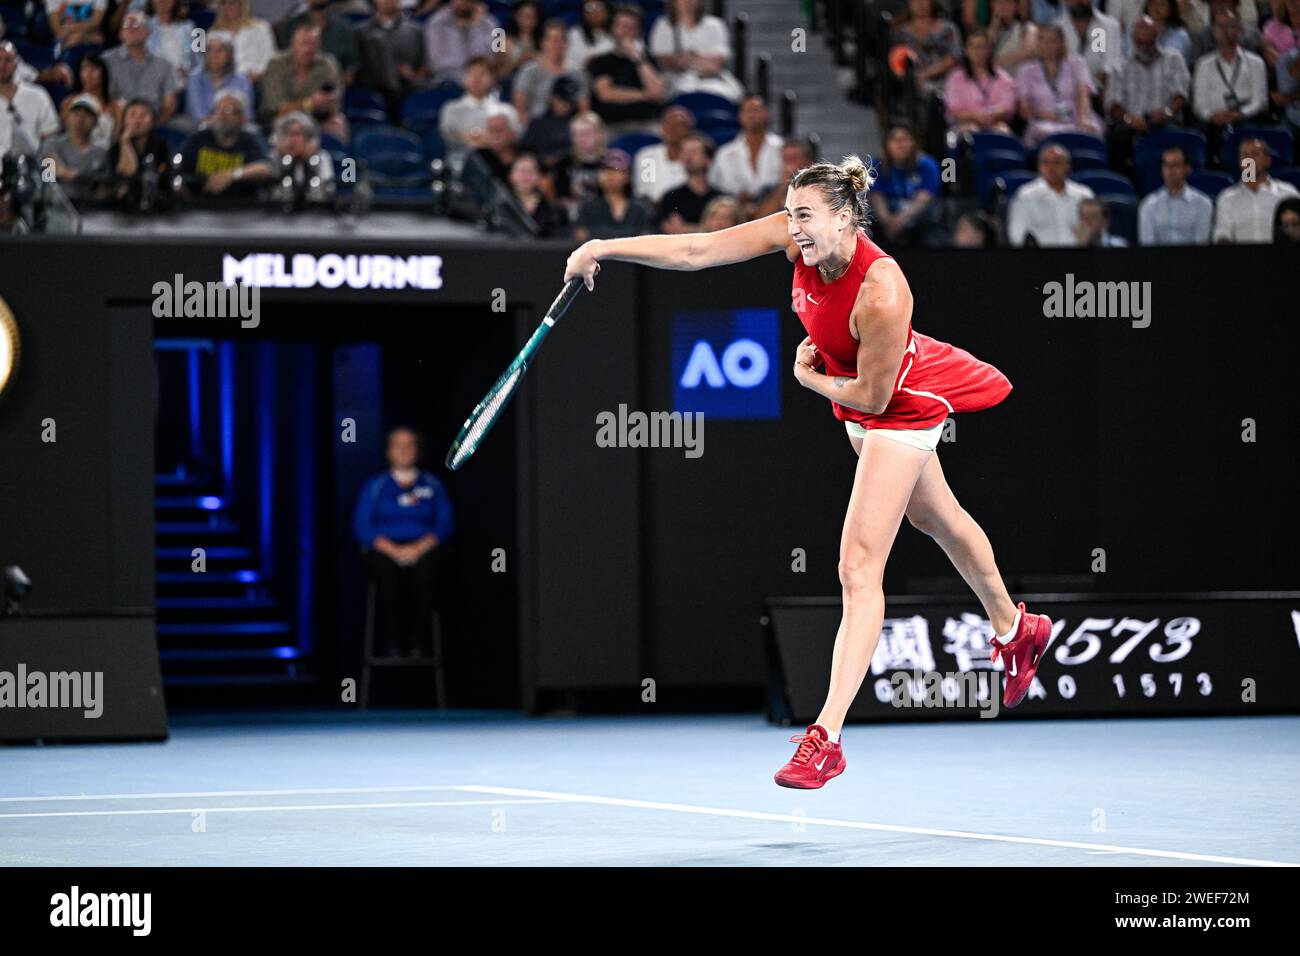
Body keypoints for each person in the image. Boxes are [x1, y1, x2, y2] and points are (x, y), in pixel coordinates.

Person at [562, 155, 1054, 789]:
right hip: (854, 391)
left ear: (846, 218)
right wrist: (600, 246)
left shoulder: (883, 290)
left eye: (805, 215)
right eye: (789, 214)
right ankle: (1017, 628)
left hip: (899, 401)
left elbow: (874, 400)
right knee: (936, 515)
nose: (793, 227)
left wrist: (807, 377)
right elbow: (696, 250)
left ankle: (826, 737)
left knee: (858, 564)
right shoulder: (797, 239)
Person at [354, 428, 454, 659]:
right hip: (385, 551)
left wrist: (418, 549)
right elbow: (362, 526)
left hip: (424, 550)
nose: (403, 449)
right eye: (397, 444)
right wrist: (395, 551)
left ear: (418, 450)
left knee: (429, 572)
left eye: (409, 444)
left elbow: (445, 524)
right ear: (388, 451)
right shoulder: (376, 486)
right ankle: (393, 643)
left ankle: (419, 642)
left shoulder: (433, 485)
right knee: (385, 574)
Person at [1105, 15, 1190, 173]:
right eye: (1140, 43)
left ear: (1157, 36)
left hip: (1165, 120)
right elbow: (1112, 104)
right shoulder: (1120, 66)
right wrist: (1129, 119)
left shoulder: (1173, 59)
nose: (1144, 47)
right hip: (1131, 124)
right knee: (1117, 137)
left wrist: (1167, 112)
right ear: (1132, 39)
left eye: (1148, 43)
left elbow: (1181, 95)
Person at [1191, 8, 1268, 156]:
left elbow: (1260, 100)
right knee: (1204, 139)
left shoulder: (1256, 62)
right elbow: (1199, 104)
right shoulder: (1203, 64)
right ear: (1213, 31)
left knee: (1251, 146)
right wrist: (1212, 116)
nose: (1225, 30)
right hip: (1212, 124)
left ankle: (1249, 177)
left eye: (1230, 25)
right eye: (1220, 26)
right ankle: (1216, 172)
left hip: (1246, 122)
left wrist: (1239, 114)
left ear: (1239, 28)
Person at [1017, 23, 1104, 146]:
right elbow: (1024, 109)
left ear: (1061, 43)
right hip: (1044, 120)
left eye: (1052, 41)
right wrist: (1049, 115)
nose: (1047, 45)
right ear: (1037, 44)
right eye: (1043, 41)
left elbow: (1083, 94)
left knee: (1090, 130)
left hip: (1076, 116)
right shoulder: (1026, 71)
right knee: (1041, 133)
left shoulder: (1077, 63)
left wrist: (1082, 118)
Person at [258, 22, 347, 142]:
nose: (309, 49)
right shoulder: (276, 64)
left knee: (338, 122)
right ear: (293, 45)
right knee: (282, 122)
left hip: (317, 118)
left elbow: (334, 102)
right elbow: (278, 106)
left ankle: (342, 159)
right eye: (304, 43)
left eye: (314, 44)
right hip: (280, 118)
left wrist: (325, 103)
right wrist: (310, 103)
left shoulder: (328, 65)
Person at [587, 3, 667, 134]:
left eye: (631, 27)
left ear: (638, 31)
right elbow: (606, 94)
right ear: (613, 29)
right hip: (612, 124)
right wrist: (645, 95)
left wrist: (638, 60)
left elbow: (658, 93)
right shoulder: (601, 61)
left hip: (647, 122)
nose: (626, 31)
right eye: (622, 26)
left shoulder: (648, 60)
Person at [648, 0, 745, 102]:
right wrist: (702, 59)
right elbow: (666, 62)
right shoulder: (663, 25)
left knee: (734, 94)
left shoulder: (715, 25)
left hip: (713, 79)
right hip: (676, 79)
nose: (688, 2)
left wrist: (685, 57)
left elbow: (717, 63)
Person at [867, 124, 943, 246]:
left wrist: (901, 219)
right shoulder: (877, 165)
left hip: (917, 218)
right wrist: (887, 220)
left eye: (906, 139)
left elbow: (925, 198)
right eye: (895, 140)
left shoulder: (927, 164)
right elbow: (876, 196)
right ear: (886, 144)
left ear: (914, 142)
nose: (901, 144)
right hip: (886, 220)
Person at [708, 94, 784, 214]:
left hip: (777, 213)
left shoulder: (782, 149)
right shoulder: (724, 153)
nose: (751, 115)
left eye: (756, 110)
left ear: (766, 113)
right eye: (747, 111)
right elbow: (714, 187)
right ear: (740, 116)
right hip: (735, 218)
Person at [1006, 142, 1096, 244]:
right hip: (1039, 256)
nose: (1051, 167)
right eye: (1045, 162)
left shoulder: (1084, 195)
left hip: (1078, 255)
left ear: (1068, 166)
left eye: (1057, 162)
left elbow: (1094, 230)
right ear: (1039, 166)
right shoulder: (1026, 195)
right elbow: (1017, 234)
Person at [1214, 136, 1300, 240]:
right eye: (1245, 155)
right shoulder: (1227, 198)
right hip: (1239, 255)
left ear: (1267, 160)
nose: (1249, 160)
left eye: (1255, 154)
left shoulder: (1288, 193)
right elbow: (1222, 235)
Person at [104, 11, 183, 124]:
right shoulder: (106, 61)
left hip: (153, 123)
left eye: (137, 24)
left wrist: (154, 127)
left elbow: (169, 105)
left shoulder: (164, 65)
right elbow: (100, 97)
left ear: (148, 32)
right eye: (126, 25)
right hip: (116, 121)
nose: (132, 28)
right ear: (120, 33)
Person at [355, 0, 429, 115]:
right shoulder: (360, 32)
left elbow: (424, 66)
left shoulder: (415, 31)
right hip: (372, 91)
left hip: (407, 91)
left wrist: (413, 76)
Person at [513, 19, 590, 122]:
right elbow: (520, 110)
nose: (557, 44)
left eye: (562, 40)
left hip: (570, 127)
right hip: (537, 126)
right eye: (553, 40)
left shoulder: (578, 73)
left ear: (567, 44)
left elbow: (584, 109)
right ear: (542, 43)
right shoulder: (529, 71)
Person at [944, 28, 1017, 134]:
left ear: (989, 50)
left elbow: (1008, 106)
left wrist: (990, 115)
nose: (978, 51)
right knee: (970, 130)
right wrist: (975, 116)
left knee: (1002, 131)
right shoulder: (956, 78)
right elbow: (953, 110)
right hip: (965, 124)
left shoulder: (1002, 77)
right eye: (973, 47)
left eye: (982, 47)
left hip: (995, 123)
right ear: (966, 50)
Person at [573, 146, 655, 240]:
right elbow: (580, 238)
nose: (610, 175)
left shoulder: (640, 209)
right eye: (606, 170)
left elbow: (646, 240)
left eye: (616, 170)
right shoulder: (587, 208)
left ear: (627, 176)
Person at [1138, 144, 1214, 242]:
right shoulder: (1148, 205)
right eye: (1166, 165)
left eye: (1175, 165)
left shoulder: (1203, 204)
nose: (1170, 170)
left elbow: (1201, 246)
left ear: (1187, 169)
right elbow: (1147, 247)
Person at [39, 93, 109, 199]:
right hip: (54, 207)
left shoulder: (101, 153)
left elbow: (103, 189)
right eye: (76, 114)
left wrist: (73, 175)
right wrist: (85, 177)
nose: (80, 120)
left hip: (89, 210)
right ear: (67, 118)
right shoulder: (51, 144)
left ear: (96, 122)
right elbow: (50, 174)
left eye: (87, 115)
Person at [0, 41, 60, 159]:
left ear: (16, 64)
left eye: (7, 60)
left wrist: (48, 176)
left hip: (31, 170)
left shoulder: (37, 95)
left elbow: (50, 141)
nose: (2, 65)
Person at [425, 0, 501, 86]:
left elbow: (492, 60)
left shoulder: (493, 24)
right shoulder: (435, 23)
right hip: (448, 83)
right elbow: (436, 63)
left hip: (482, 83)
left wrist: (476, 28)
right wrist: (466, 78)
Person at [656, 131, 720, 232]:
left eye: (693, 152)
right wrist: (707, 229)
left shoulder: (720, 198)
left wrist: (685, 228)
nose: (688, 156)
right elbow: (668, 229)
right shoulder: (671, 197)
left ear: (708, 159)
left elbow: (726, 230)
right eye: (684, 152)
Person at [187, 32, 255, 125]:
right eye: (209, 50)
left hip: (236, 127)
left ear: (229, 55)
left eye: (219, 50)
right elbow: (197, 113)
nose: (213, 55)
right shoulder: (195, 78)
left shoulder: (242, 80)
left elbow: (246, 113)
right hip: (202, 126)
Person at [632, 104, 693, 203]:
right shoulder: (647, 157)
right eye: (668, 124)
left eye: (679, 125)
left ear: (689, 130)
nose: (673, 129)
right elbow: (645, 191)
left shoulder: (695, 157)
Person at [213, 0, 278, 83]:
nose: (227, 6)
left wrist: (258, 74)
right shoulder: (214, 33)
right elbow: (212, 64)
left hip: (258, 79)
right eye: (224, 3)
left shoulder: (261, 27)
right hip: (226, 82)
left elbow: (271, 58)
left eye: (232, 3)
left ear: (242, 5)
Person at [566, 0, 615, 72]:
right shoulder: (575, 34)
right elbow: (570, 62)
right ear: (584, 14)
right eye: (589, 8)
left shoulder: (616, 32)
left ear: (607, 12)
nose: (594, 12)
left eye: (599, 7)